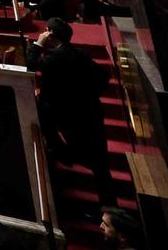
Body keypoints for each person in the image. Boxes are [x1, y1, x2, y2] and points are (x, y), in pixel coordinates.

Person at [27, 17, 115, 207]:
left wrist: (37, 44)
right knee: (100, 164)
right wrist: (89, 95)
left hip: (70, 117)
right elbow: (103, 76)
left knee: (90, 158)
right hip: (91, 112)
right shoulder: (79, 52)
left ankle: (67, 157)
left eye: (45, 30)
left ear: (50, 33)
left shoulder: (54, 58)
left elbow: (31, 64)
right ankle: (109, 206)